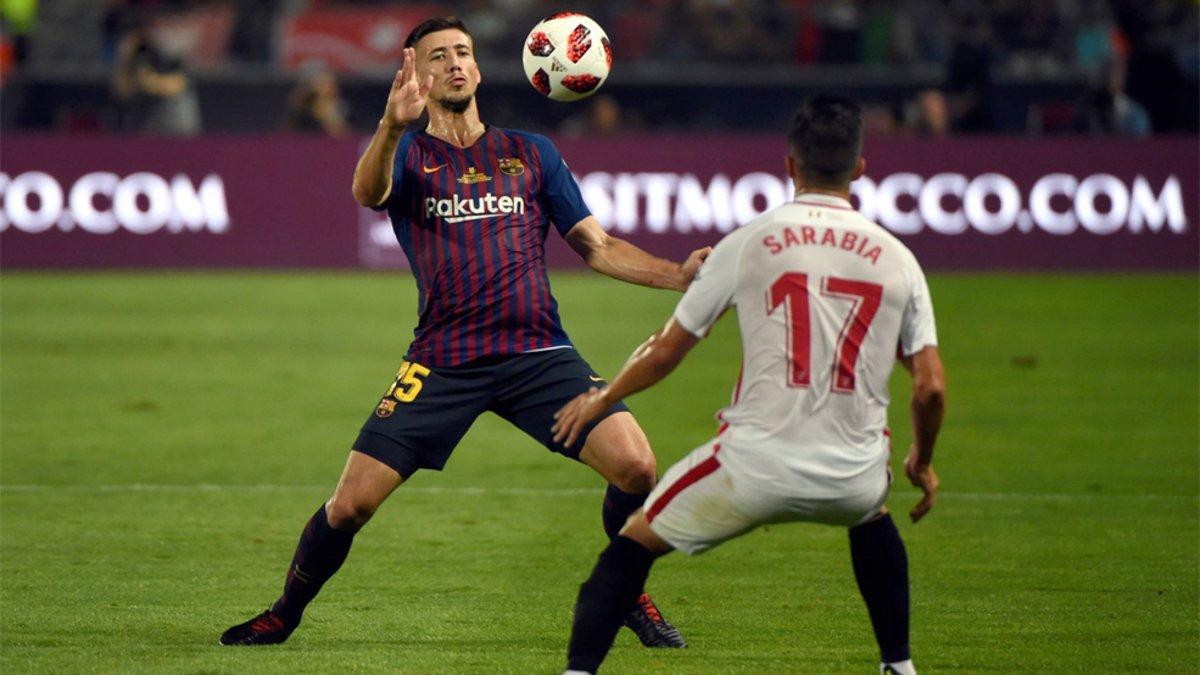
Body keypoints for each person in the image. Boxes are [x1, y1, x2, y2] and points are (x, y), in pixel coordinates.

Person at [219, 16, 709, 649]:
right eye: (438, 56)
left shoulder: (532, 152)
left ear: (477, 69)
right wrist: (392, 124)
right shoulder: (408, 154)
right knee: (350, 507)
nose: (454, 63)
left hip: (539, 354)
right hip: (444, 361)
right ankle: (283, 613)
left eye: (464, 53)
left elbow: (598, 245)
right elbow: (368, 194)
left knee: (639, 469)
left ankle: (624, 594)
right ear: (416, 74)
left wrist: (678, 277)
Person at [552, 96, 946, 675]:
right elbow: (931, 388)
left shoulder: (750, 242)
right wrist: (923, 461)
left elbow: (667, 352)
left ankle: (578, 670)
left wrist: (603, 398)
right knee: (872, 514)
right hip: (854, 473)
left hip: (754, 465)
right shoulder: (898, 260)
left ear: (790, 165)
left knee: (632, 544)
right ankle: (899, 664)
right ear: (859, 168)